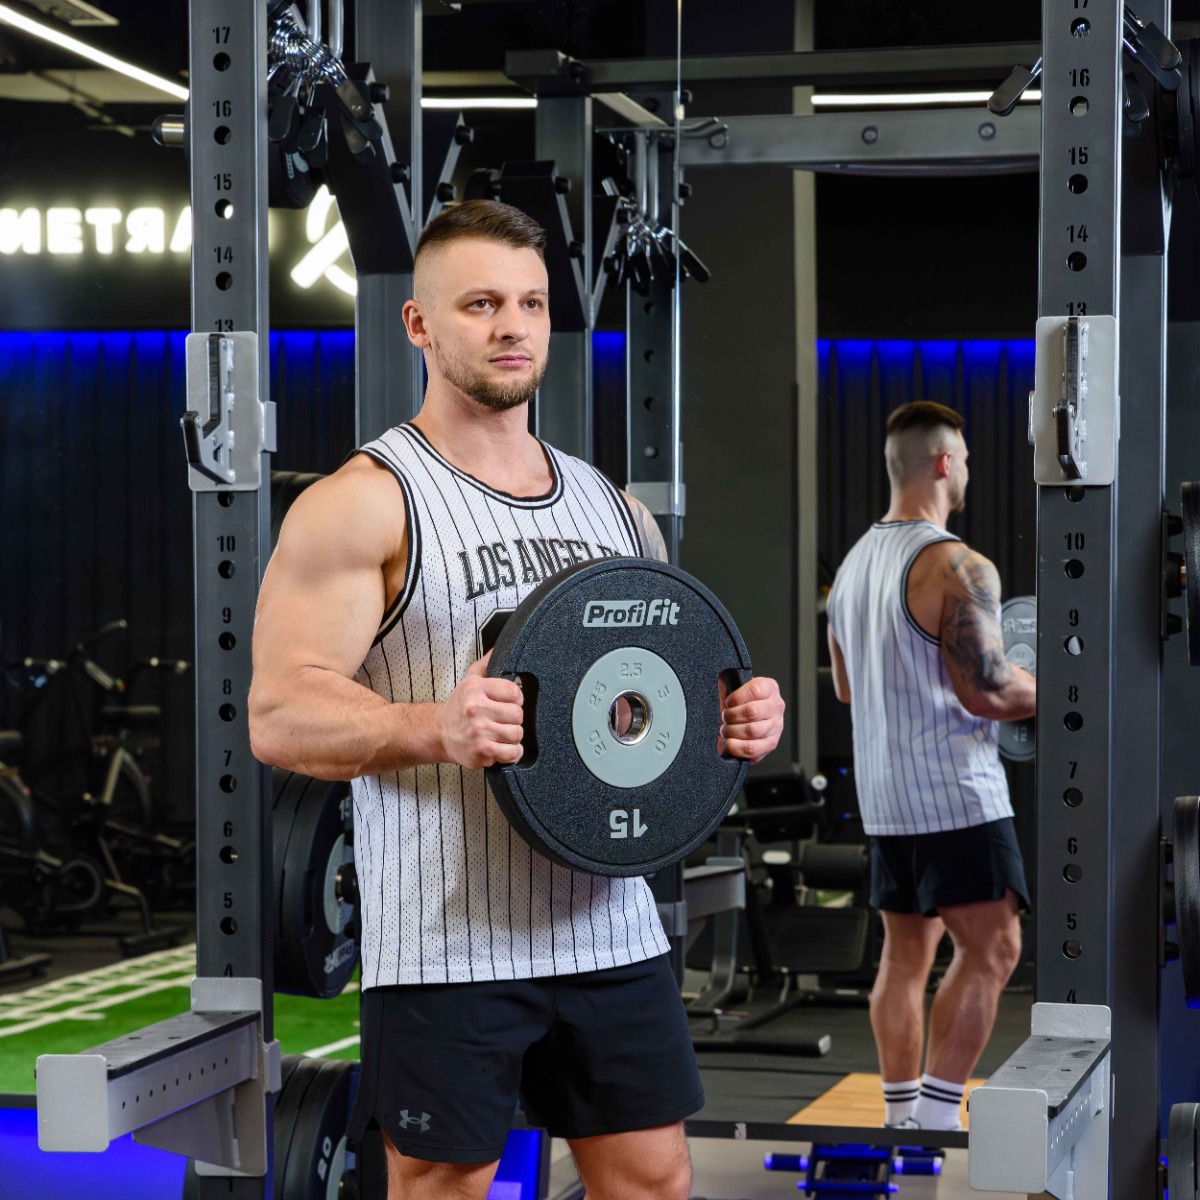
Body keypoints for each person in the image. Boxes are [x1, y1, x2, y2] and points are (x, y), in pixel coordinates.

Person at [248, 200, 786, 1199]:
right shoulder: (366, 501)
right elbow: (279, 714)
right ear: (419, 324)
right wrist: (433, 726)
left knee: (655, 1179)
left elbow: (639, 706)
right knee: (444, 1184)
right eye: (482, 303)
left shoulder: (613, 510)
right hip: (446, 939)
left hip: (608, 923)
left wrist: (729, 722)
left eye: (531, 304)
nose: (512, 327)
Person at [824, 400, 1035, 1132]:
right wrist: (1064, 689)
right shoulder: (958, 565)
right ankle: (939, 1119)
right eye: (965, 460)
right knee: (996, 948)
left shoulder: (852, 568)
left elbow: (846, 687)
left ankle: (901, 1119)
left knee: (905, 956)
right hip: (955, 796)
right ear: (945, 462)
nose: (967, 470)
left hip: (886, 800)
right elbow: (990, 692)